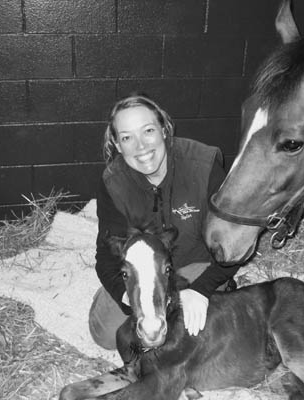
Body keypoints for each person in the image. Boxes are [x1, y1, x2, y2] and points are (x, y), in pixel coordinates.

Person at [89, 94, 239, 350]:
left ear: (164, 129)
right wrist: (126, 295)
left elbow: (234, 245)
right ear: (117, 144)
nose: (140, 146)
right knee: (106, 334)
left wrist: (202, 289)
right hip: (142, 274)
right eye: (127, 137)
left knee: (199, 337)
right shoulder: (114, 182)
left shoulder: (203, 166)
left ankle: (220, 291)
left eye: (148, 131)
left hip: (195, 267)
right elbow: (106, 255)